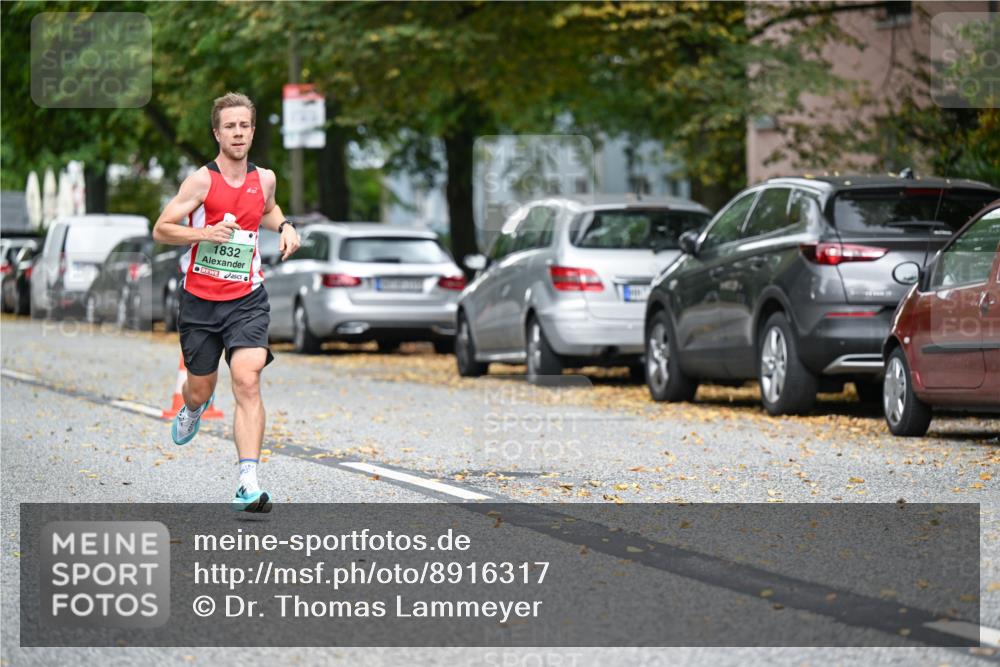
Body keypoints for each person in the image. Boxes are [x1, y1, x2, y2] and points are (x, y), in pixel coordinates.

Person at [152, 92, 300, 513]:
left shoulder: (265, 178)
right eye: (230, 126)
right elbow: (162, 229)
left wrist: (286, 226)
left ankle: (247, 482)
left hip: (247, 299)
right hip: (200, 300)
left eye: (245, 126)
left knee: (248, 379)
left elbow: (267, 209)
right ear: (217, 132)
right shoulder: (201, 181)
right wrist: (205, 234)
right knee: (201, 388)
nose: (238, 133)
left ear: (253, 131)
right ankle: (192, 407)